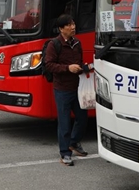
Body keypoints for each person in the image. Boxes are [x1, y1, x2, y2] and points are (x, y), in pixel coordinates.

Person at [44, 14, 92, 166]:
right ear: (61, 29)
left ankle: (74, 142)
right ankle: (65, 153)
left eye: (73, 24)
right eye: (69, 25)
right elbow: (49, 65)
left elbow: (77, 63)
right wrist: (67, 68)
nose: (73, 27)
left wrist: (83, 68)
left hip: (77, 88)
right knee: (64, 123)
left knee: (82, 118)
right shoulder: (54, 44)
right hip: (62, 89)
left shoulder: (77, 43)